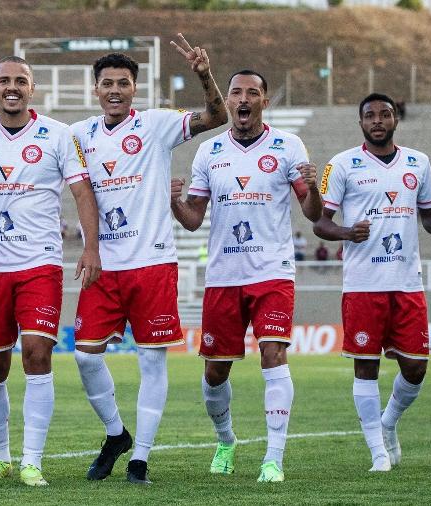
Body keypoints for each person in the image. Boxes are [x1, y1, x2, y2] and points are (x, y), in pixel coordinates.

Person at [69, 37, 227, 485]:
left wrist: (203, 74)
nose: (115, 89)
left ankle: (140, 458)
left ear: (134, 89)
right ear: (95, 89)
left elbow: (218, 116)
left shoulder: (158, 124)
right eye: (107, 83)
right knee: (84, 357)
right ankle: (116, 434)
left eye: (123, 82)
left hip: (153, 263)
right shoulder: (79, 135)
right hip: (102, 266)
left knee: (152, 362)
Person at [0, 56, 101, 487]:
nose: (12, 87)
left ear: (32, 89)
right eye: (4, 81)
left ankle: (32, 459)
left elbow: (82, 192)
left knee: (37, 354)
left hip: (39, 265)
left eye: (20, 81)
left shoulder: (58, 135)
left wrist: (91, 247)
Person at [171, 69, 322, 482]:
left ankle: (273, 458)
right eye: (235, 91)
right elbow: (192, 219)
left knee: (273, 355)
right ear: (230, 100)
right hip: (223, 275)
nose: (242, 98)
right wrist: (173, 202)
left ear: (263, 102)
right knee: (215, 372)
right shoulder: (210, 151)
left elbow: (312, 214)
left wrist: (315, 189)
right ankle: (226, 440)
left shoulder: (287, 145)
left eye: (251, 92)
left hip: (272, 272)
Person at [313, 93, 431, 472]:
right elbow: (320, 223)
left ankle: (388, 422)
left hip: (407, 283)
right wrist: (346, 231)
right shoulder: (342, 164)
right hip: (363, 285)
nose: (377, 120)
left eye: (384, 114)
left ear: (395, 120)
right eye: (370, 115)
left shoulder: (418, 162)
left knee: (416, 368)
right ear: (361, 123)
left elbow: (428, 215)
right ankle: (378, 453)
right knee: (366, 367)